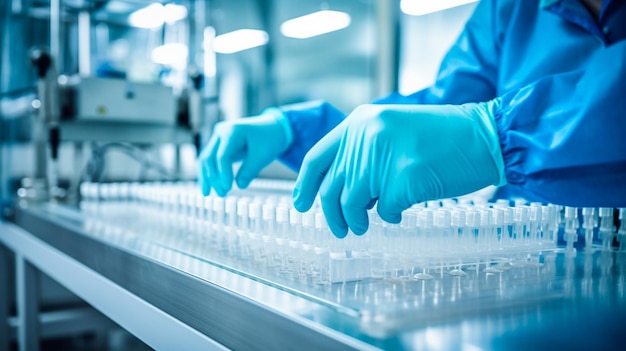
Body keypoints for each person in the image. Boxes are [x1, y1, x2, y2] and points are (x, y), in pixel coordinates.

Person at [198, 0, 626, 238]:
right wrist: (298, 130)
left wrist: (495, 136)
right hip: (530, 266)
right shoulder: (512, 8)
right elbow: (440, 113)